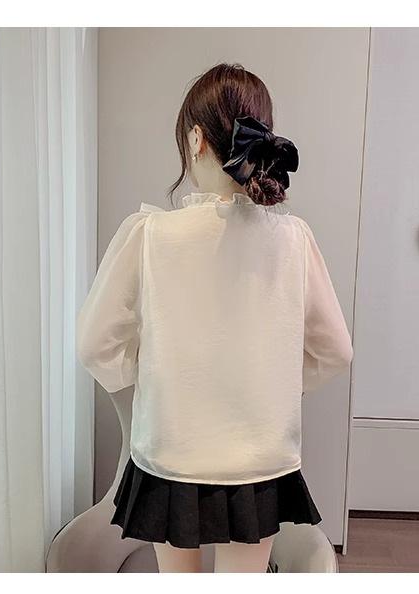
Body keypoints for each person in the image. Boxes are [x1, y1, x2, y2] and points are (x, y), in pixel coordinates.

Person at [76, 63, 354, 573]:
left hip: (171, 453)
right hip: (259, 460)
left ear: (195, 139)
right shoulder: (294, 240)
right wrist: (280, 384)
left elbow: (96, 344)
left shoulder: (149, 236)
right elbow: (336, 350)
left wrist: (150, 378)